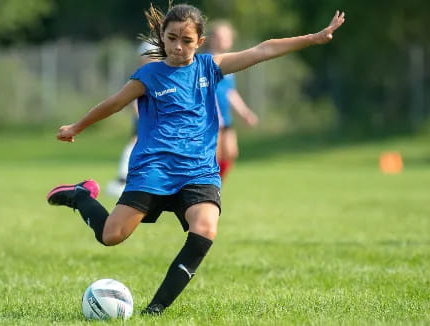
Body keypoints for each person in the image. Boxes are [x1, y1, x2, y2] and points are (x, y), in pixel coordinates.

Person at [46, 2, 345, 315]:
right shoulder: (148, 75)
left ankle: (155, 311)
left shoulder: (209, 67)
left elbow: (263, 50)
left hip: (198, 171)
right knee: (111, 236)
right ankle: (81, 196)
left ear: (199, 42)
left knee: (205, 229)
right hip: (154, 169)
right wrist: (76, 126)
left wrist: (313, 38)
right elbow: (113, 103)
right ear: (162, 36)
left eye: (186, 41)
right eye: (172, 38)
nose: (178, 46)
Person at [106, 41, 159, 198]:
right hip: (145, 120)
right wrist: (139, 115)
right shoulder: (141, 76)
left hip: (155, 120)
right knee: (135, 143)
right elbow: (134, 100)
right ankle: (123, 177)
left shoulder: (157, 75)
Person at [208, 20, 259, 179]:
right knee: (212, 157)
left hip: (225, 117)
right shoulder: (207, 61)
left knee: (230, 153)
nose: (225, 40)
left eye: (228, 37)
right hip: (210, 118)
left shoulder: (229, 63)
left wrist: (245, 112)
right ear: (213, 39)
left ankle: (215, 187)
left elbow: (230, 92)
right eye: (221, 37)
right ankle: (204, 191)